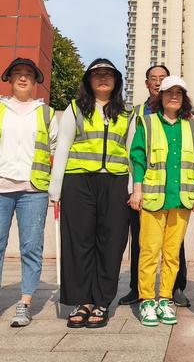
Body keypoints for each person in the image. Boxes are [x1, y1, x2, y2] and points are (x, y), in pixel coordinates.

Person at [49, 58, 134, 328]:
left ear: (116, 81)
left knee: (111, 242)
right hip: (78, 182)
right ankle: (82, 300)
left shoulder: (126, 113)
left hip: (116, 182)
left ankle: (101, 301)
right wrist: (56, 187)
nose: (103, 78)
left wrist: (134, 185)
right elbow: (62, 147)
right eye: (97, 74)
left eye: (108, 74)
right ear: (88, 80)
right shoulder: (75, 109)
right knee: (79, 241)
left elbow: (133, 154)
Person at [129, 76, 194, 326]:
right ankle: (147, 300)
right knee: (149, 252)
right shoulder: (147, 122)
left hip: (181, 199)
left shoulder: (193, 126)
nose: (174, 96)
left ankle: (165, 299)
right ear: (160, 96)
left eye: (179, 93)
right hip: (152, 198)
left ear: (184, 98)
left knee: (172, 254)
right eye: (168, 92)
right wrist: (136, 191)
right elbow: (137, 159)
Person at [118, 65, 191, 308]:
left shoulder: (188, 121)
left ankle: (172, 290)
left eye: (163, 79)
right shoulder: (139, 114)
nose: (159, 83)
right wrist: (134, 188)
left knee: (173, 248)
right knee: (144, 245)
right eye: (154, 79)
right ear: (148, 83)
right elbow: (133, 153)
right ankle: (140, 292)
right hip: (147, 191)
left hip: (178, 195)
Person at [0, 58, 57, 327]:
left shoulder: (45, 113)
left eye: (28, 75)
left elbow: (55, 150)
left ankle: (24, 303)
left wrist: (55, 186)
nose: (23, 78)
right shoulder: (0, 108)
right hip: (0, 187)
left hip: (33, 189)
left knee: (31, 247)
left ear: (36, 82)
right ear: (9, 79)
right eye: (17, 74)